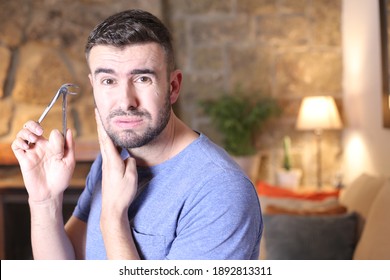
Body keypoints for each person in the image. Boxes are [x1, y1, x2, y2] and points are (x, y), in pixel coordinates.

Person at [11, 9, 262, 260]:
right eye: (108, 81)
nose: (125, 102)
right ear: (94, 86)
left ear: (173, 87)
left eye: (142, 78)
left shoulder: (220, 191)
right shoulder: (112, 158)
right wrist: (44, 200)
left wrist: (112, 219)